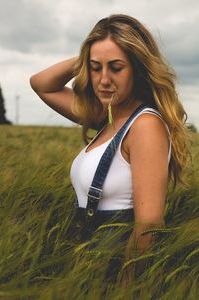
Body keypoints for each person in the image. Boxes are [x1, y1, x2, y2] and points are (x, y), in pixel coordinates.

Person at [30, 14, 191, 284]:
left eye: (116, 67)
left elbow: (149, 224)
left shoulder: (144, 125)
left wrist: (126, 289)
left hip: (114, 272)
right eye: (95, 68)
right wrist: (88, 55)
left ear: (138, 69)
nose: (103, 80)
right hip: (88, 267)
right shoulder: (108, 118)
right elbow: (41, 84)